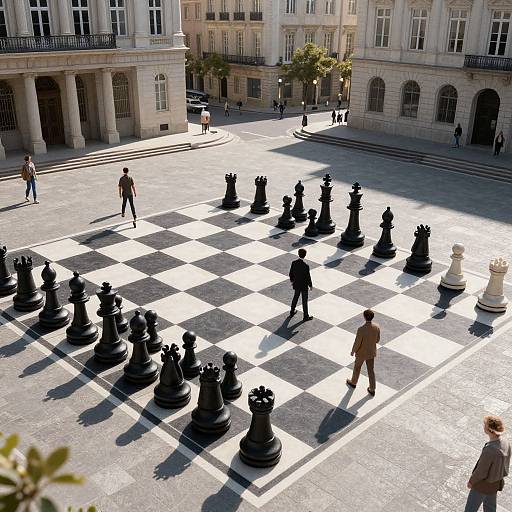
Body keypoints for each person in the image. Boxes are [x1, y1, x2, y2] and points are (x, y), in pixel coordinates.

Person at [464, 415, 510, 512]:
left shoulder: (490, 450)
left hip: (482, 485)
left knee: (470, 509)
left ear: (489, 429)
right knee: (490, 507)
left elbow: (481, 471)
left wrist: (471, 481)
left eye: (484, 425)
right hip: (495, 482)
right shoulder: (506, 442)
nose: (483, 426)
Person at [346, 309, 380, 396]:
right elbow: (377, 340)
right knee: (371, 371)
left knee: (357, 368)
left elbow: (357, 342)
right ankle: (372, 389)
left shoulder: (361, 329)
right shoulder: (376, 327)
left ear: (364, 317)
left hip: (361, 353)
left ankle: (353, 382)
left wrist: (353, 351)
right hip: (371, 352)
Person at [289, 248, 313, 322]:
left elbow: (290, 273)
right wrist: (310, 285)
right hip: (303, 285)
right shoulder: (306, 266)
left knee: (295, 298)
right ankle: (305, 316)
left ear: (298, 254)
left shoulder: (294, 263)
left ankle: (292, 312)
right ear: (305, 255)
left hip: (296, 284)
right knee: (304, 301)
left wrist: (292, 281)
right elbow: (308, 277)